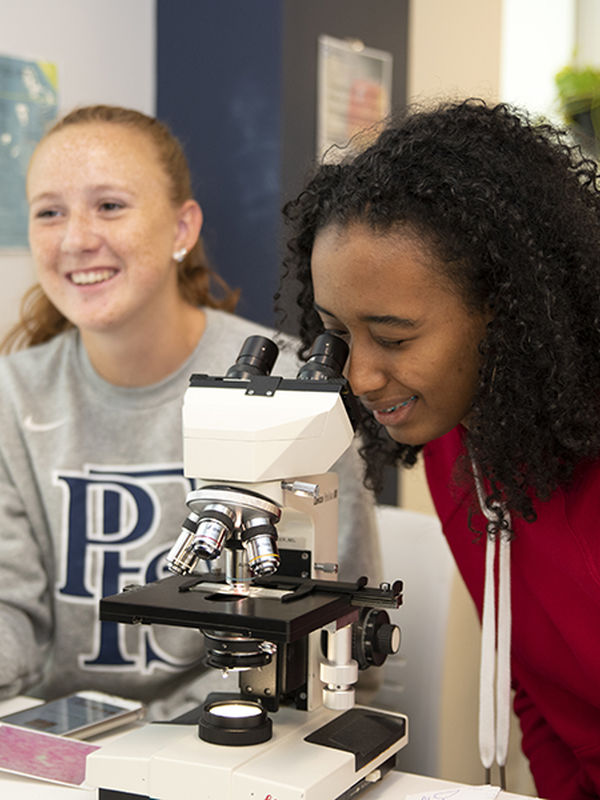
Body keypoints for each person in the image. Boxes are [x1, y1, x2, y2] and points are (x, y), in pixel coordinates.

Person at [0, 105, 381, 719]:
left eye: (110, 205)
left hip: (234, 727)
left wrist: (159, 742)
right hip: (67, 742)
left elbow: (338, 621)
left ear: (183, 228)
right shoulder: (12, 396)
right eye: (49, 212)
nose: (76, 239)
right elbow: (8, 609)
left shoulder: (290, 386)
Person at [281, 98, 600, 800]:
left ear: (507, 311)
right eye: (338, 332)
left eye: (394, 338)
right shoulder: (461, 450)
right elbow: (541, 695)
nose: (359, 377)